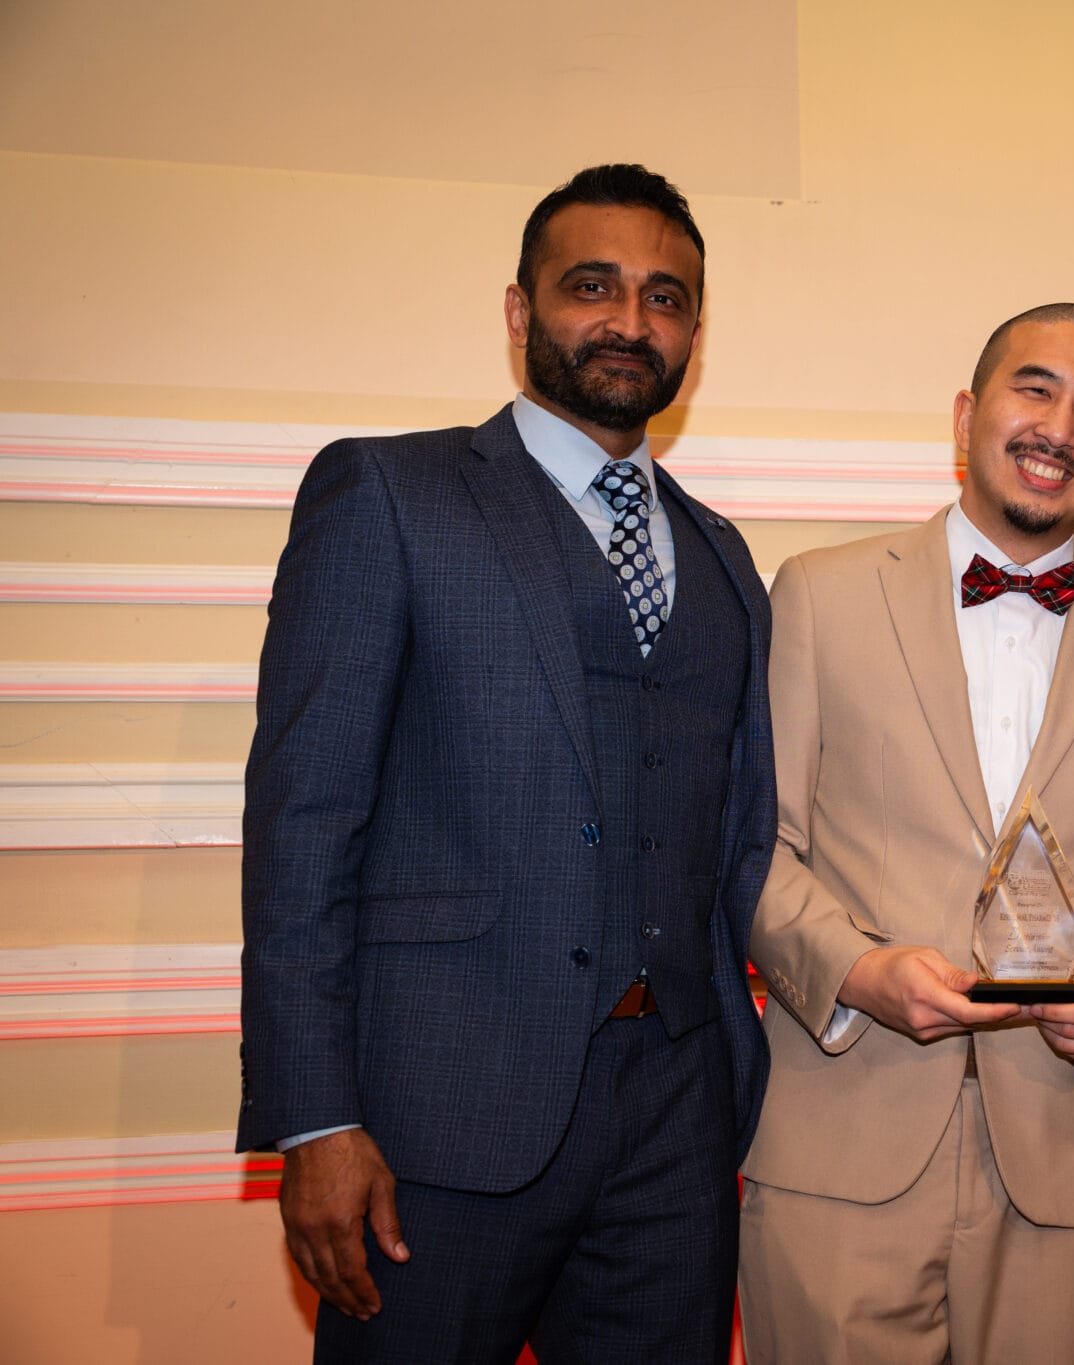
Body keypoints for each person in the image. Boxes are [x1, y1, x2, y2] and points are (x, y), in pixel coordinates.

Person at [236, 163, 773, 1362]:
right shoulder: (387, 492)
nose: (631, 322)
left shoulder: (726, 557)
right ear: (521, 311)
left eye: (666, 296)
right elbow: (304, 824)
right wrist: (314, 1115)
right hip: (433, 1126)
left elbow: (735, 844)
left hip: (677, 1131)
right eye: (593, 286)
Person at [738, 303, 1074, 1364]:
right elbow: (754, 848)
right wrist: (858, 971)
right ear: (967, 415)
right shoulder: (818, 597)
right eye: (1034, 389)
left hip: (1067, 1161)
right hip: (840, 1143)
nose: (1060, 425)